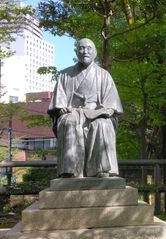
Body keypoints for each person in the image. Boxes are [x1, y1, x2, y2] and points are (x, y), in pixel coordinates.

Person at [48, 38, 123, 178]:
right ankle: (70, 171)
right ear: (76, 52)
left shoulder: (104, 75)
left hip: (97, 113)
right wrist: (61, 109)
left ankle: (101, 169)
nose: (85, 51)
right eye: (81, 48)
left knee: (102, 124)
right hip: (73, 112)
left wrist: (106, 110)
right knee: (68, 121)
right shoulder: (65, 74)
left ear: (95, 52)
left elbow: (112, 103)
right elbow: (59, 102)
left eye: (89, 48)